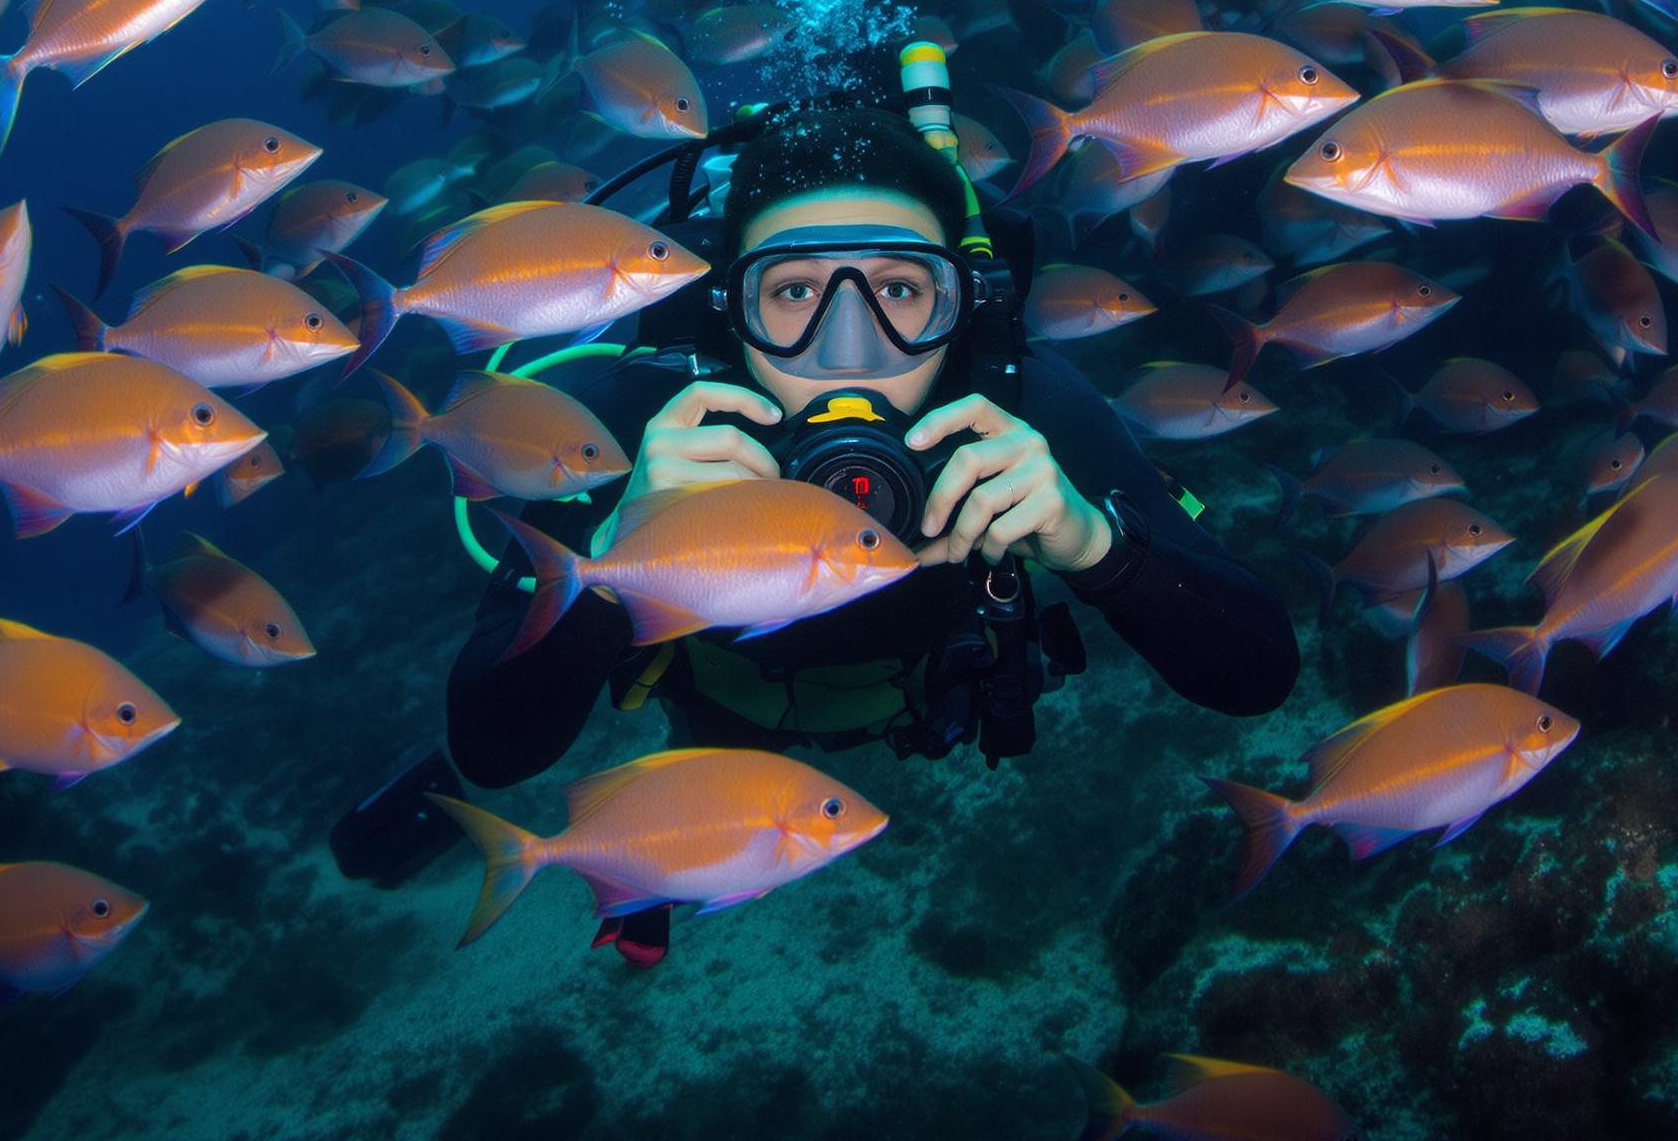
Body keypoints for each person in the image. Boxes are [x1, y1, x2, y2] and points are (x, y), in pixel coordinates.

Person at [446, 109, 1301, 897]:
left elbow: (1259, 673)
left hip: (932, 698)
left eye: (899, 291)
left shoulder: (1021, 410)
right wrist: (618, 551)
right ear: (730, 315)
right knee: (698, 795)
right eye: (791, 292)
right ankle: (652, 876)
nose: (846, 351)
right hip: (718, 708)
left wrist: (1097, 546)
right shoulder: (634, 426)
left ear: (960, 306)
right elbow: (491, 750)